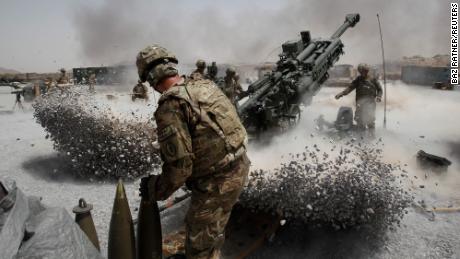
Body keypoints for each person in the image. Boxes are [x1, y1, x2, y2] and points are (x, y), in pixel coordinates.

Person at [136, 44, 250, 259]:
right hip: (239, 166)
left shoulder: (171, 106)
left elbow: (180, 168)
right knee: (213, 228)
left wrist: (155, 189)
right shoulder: (205, 85)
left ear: (151, 77)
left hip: (217, 183)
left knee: (199, 248)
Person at [335, 63, 382, 133]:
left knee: (370, 121)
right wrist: (341, 94)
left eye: (366, 71)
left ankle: (371, 139)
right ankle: (360, 139)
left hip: (370, 104)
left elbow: (379, 89)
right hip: (360, 104)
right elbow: (350, 87)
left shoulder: (373, 80)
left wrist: (379, 96)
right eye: (362, 71)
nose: (364, 73)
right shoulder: (358, 80)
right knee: (359, 121)